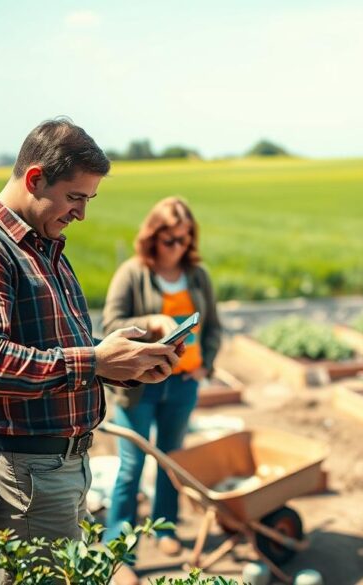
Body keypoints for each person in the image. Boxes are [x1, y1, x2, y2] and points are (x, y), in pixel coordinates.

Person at [0, 118, 183, 581]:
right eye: (76, 197)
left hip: (56, 466)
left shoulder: (42, 245)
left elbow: (58, 349)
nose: (81, 213)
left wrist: (120, 364)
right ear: (34, 179)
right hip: (26, 473)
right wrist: (96, 360)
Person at [102, 197, 222, 584]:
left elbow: (214, 325)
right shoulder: (132, 273)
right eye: (170, 240)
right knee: (133, 465)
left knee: (172, 462)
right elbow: (111, 324)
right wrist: (152, 320)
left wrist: (207, 364)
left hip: (183, 385)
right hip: (139, 387)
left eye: (184, 240)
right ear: (153, 236)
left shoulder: (197, 275)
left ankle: (164, 529)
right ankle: (121, 550)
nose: (178, 248)